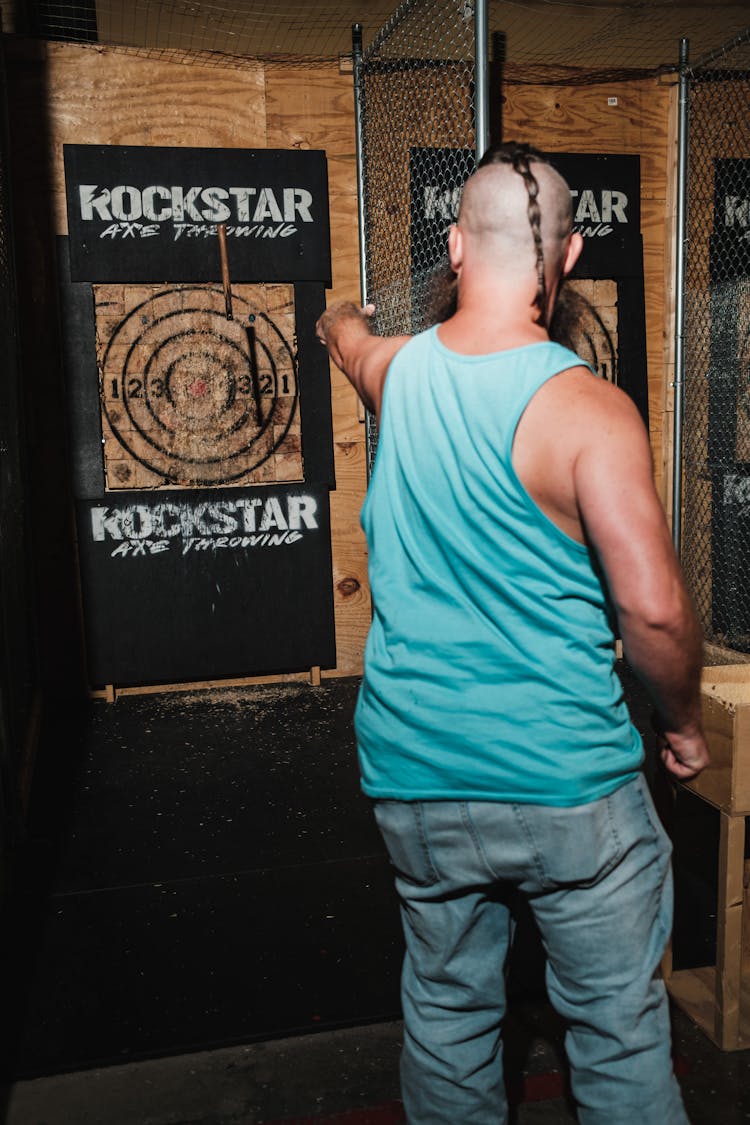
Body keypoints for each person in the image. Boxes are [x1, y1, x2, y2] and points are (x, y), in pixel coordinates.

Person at [315, 141, 709, 1125]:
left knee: (448, 1012)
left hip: (417, 779)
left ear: (454, 245)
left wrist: (344, 315)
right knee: (614, 1029)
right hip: (565, 781)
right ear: (568, 257)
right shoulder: (589, 411)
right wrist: (685, 724)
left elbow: (344, 334)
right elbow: (654, 611)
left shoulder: (395, 377)